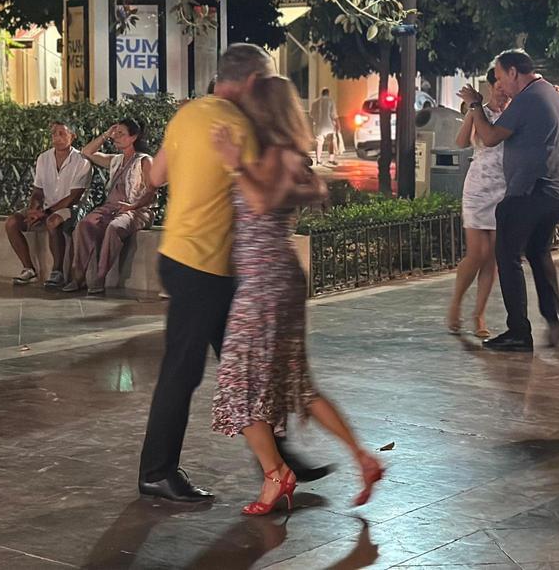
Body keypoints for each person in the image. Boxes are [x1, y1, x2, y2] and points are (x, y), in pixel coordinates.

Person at [137, 43, 329, 503]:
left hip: (181, 256)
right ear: (250, 82)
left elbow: (153, 177)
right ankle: (157, 470)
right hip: (208, 265)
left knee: (246, 369)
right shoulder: (240, 127)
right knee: (184, 371)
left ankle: (278, 462)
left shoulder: (188, 113)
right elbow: (268, 196)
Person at [211, 75, 384, 515]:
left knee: (237, 381)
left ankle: (276, 475)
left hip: (264, 282)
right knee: (297, 384)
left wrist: (233, 163)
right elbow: (315, 191)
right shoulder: (290, 154)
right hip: (280, 277)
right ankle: (362, 457)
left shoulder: (270, 154)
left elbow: (262, 203)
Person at [458, 49, 559, 352]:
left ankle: (518, 332)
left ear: (513, 72)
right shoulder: (552, 94)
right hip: (558, 192)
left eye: (500, 77)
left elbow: (490, 136)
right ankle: (554, 317)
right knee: (538, 252)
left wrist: (474, 104)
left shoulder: (528, 98)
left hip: (529, 192)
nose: (500, 85)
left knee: (507, 255)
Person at [447, 67, 510, 339]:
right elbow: (461, 142)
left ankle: (479, 314)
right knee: (477, 253)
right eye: (497, 86)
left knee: (492, 258)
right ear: (489, 87)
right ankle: (456, 304)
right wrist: (473, 112)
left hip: (504, 189)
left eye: (505, 86)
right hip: (478, 189)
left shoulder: (516, 112)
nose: (502, 91)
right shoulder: (478, 110)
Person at [65, 120, 156, 295]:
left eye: (121, 133)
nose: (116, 137)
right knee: (85, 224)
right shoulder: (116, 160)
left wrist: (132, 206)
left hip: (137, 210)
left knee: (114, 228)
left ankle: (100, 276)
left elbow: (151, 191)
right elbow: (86, 152)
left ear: (134, 137)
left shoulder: (145, 161)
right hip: (110, 208)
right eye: (116, 133)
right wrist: (106, 134)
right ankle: (78, 276)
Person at [8, 122, 92, 289]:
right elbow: (38, 190)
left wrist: (45, 212)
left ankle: (57, 271)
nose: (57, 138)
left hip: (72, 208)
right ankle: (28, 268)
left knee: (53, 221)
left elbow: (74, 197)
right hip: (46, 206)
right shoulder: (43, 158)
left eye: (62, 134)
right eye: (54, 134)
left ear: (72, 136)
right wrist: (34, 208)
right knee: (11, 223)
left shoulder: (81, 161)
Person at [309, 88, 341, 166]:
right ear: (328, 93)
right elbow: (334, 114)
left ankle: (318, 160)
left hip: (318, 126)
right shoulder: (330, 101)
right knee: (331, 142)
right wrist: (338, 125)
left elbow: (311, 114)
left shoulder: (315, 102)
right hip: (329, 125)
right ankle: (331, 159)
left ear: (322, 93)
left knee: (319, 143)